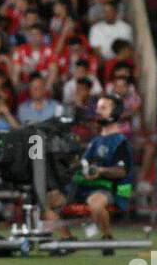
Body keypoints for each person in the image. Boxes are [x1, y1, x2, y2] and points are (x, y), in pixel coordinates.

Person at [45, 93, 132, 242]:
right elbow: (81, 165)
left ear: (115, 113)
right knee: (45, 200)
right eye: (98, 107)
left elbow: (121, 171)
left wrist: (100, 171)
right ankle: (67, 238)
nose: (98, 111)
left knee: (95, 203)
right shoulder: (96, 140)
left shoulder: (120, 142)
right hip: (82, 187)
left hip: (107, 188)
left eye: (103, 108)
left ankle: (107, 236)